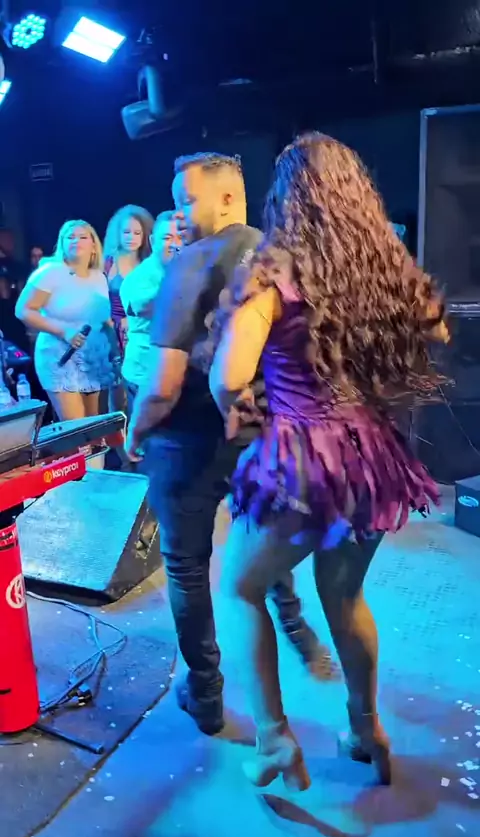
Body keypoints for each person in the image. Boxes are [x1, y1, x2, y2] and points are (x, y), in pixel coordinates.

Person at [209, 133, 450, 789]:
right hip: (371, 458)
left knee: (240, 588)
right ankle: (367, 729)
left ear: (285, 198)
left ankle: (274, 740)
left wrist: (243, 412)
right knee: (345, 597)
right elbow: (438, 329)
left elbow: (229, 375)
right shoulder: (381, 267)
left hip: (302, 461)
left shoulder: (274, 272)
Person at [126, 152, 326, 737]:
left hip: (186, 440)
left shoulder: (191, 263)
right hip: (256, 435)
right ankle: (294, 624)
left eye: (187, 200)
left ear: (229, 198)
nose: (179, 214)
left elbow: (163, 385)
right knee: (255, 535)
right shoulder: (278, 255)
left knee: (186, 566)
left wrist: (135, 429)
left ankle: (206, 693)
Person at [16, 219, 119, 421]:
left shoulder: (99, 277)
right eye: (70, 237)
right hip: (60, 357)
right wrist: (64, 331)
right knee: (76, 428)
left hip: (95, 359)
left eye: (82, 237)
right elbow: (23, 310)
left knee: (96, 426)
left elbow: (102, 319)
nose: (76, 240)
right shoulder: (49, 272)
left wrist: (116, 348)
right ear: (62, 243)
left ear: (93, 245)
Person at [120, 211, 182, 420]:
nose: (175, 244)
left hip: (176, 375)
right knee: (150, 437)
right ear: (154, 241)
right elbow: (152, 307)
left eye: (180, 237)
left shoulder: (187, 271)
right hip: (145, 376)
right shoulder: (138, 279)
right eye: (167, 238)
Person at [104, 205, 154, 360]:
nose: (131, 237)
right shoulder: (107, 264)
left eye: (137, 233)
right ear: (118, 233)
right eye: (126, 232)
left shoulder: (151, 265)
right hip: (112, 334)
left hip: (144, 333)